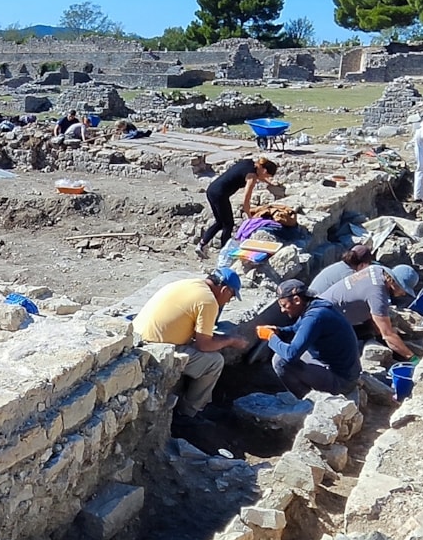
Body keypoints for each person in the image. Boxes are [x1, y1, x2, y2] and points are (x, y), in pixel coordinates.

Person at [133, 267, 250, 419]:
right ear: (225, 290)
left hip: (137, 338)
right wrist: (231, 340)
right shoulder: (208, 301)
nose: (228, 301)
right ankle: (189, 412)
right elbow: (204, 345)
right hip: (156, 348)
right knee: (214, 362)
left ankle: (200, 402)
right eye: (231, 296)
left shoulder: (189, 284)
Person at [314, 245, 418, 360]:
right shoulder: (377, 294)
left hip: (320, 308)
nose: (403, 294)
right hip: (323, 323)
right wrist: (412, 358)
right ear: (394, 283)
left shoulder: (376, 270)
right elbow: (388, 335)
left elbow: (375, 317)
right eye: (404, 290)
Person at [266, 279, 360, 399]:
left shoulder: (314, 317)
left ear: (296, 300)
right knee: (293, 349)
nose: (282, 310)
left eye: (284, 306)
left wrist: (270, 337)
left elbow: (291, 354)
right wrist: (279, 331)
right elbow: (296, 329)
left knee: (280, 360)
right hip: (346, 372)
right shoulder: (316, 306)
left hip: (342, 382)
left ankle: (307, 400)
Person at [197, 155, 278, 257]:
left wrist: (270, 183)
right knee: (228, 224)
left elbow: (259, 175)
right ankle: (225, 252)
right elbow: (246, 201)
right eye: (267, 176)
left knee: (220, 222)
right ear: (265, 171)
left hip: (212, 190)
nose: (265, 178)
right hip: (220, 195)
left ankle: (201, 245)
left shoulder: (249, 163)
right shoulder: (251, 177)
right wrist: (250, 217)